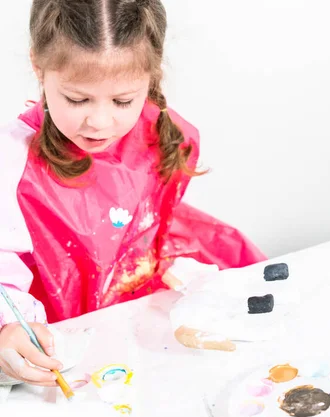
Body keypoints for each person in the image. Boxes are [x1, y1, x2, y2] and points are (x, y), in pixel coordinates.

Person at [0, 0, 265, 384]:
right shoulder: (12, 161)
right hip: (63, 340)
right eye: (77, 99)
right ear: (38, 67)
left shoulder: (165, 131)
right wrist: (8, 326)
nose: (100, 121)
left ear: (151, 75)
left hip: (144, 316)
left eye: (123, 100)